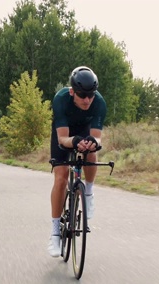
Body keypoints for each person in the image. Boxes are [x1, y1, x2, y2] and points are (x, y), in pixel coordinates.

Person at [48, 66, 107, 257]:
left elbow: (98, 139)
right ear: (72, 91)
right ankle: (55, 233)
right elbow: (62, 139)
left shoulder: (99, 103)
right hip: (63, 134)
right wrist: (73, 141)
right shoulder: (61, 99)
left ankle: (88, 192)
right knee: (61, 177)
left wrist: (91, 143)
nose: (87, 100)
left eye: (91, 95)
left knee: (91, 149)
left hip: (84, 130)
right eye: (82, 95)